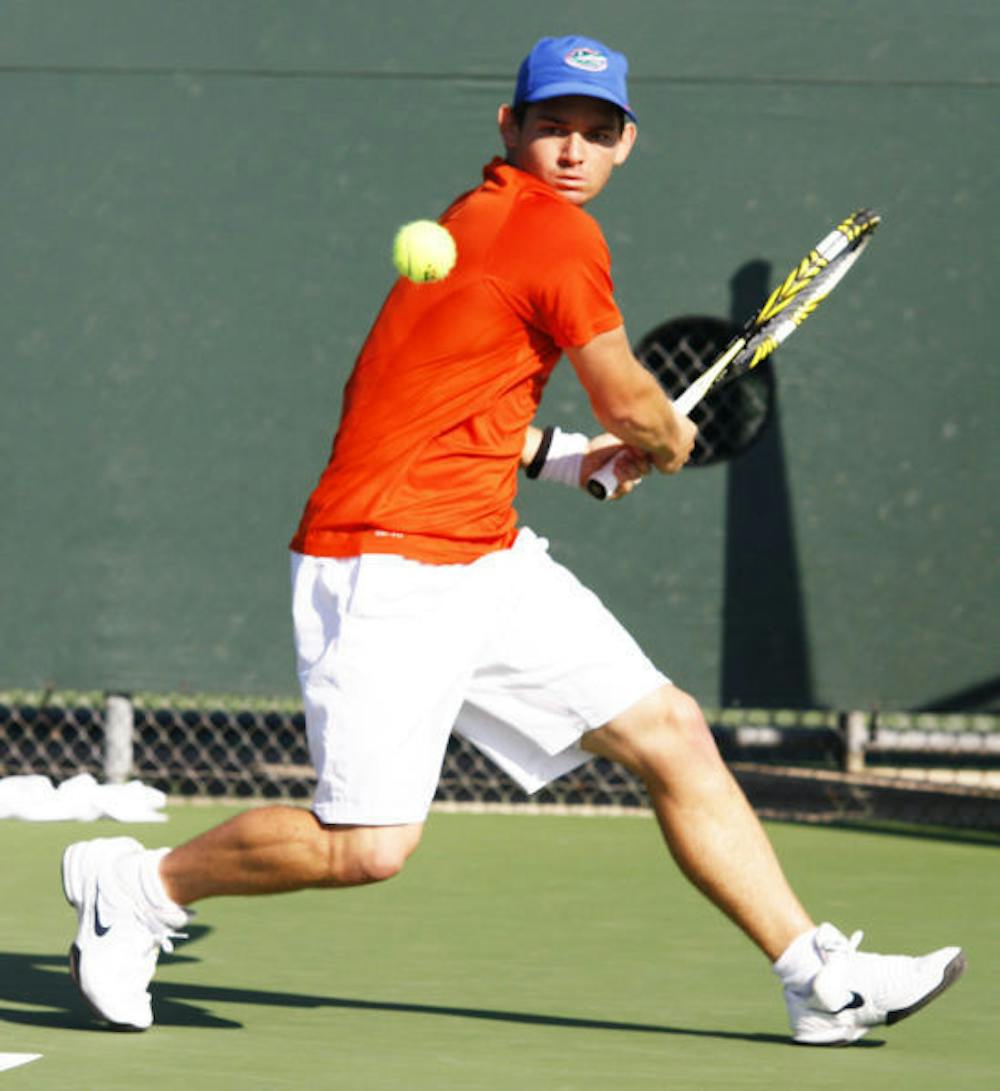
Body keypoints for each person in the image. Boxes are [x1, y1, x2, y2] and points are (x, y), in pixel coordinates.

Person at [60, 34, 964, 1044]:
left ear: (627, 142)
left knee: (667, 729)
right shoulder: (553, 236)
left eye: (596, 132)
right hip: (383, 559)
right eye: (552, 127)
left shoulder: (471, 219)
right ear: (511, 127)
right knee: (365, 847)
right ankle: (137, 886)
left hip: (481, 553)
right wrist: (660, 439)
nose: (573, 149)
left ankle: (814, 976)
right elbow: (634, 402)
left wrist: (565, 456)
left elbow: (434, 396)